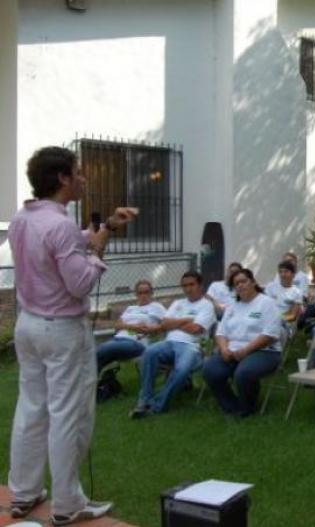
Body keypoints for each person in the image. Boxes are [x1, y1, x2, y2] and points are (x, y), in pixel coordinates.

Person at [8, 146, 136, 524]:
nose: (83, 178)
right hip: (62, 330)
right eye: (78, 172)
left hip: (28, 326)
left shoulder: (22, 219)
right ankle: (67, 504)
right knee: (69, 415)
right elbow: (79, 283)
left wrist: (106, 227)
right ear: (63, 178)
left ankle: (23, 493)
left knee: (31, 409)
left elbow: (60, 246)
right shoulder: (59, 224)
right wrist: (97, 252)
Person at [129, 271, 216, 418]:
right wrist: (187, 319)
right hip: (169, 343)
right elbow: (164, 323)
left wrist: (173, 324)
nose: (188, 289)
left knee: (182, 369)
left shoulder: (207, 306)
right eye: (184, 286)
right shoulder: (178, 303)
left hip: (192, 347)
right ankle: (144, 400)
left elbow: (196, 329)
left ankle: (156, 406)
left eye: (192, 284)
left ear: (200, 286)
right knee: (149, 352)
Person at [202, 269, 283, 417]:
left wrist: (246, 350)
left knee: (244, 372)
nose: (240, 285)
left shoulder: (267, 303)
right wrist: (224, 349)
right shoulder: (232, 306)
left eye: (243, 281)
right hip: (233, 351)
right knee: (210, 369)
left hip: (265, 351)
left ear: (253, 282)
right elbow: (221, 333)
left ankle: (247, 409)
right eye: (236, 284)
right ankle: (231, 406)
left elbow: (269, 334)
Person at [95, 279, 166, 373]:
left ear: (152, 293)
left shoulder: (156, 307)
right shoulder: (131, 308)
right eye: (140, 293)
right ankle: (92, 384)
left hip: (136, 343)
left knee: (101, 351)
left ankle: (88, 384)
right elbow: (117, 325)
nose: (143, 295)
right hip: (118, 339)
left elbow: (167, 324)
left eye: (146, 292)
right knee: (97, 360)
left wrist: (151, 329)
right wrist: (134, 327)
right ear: (136, 294)